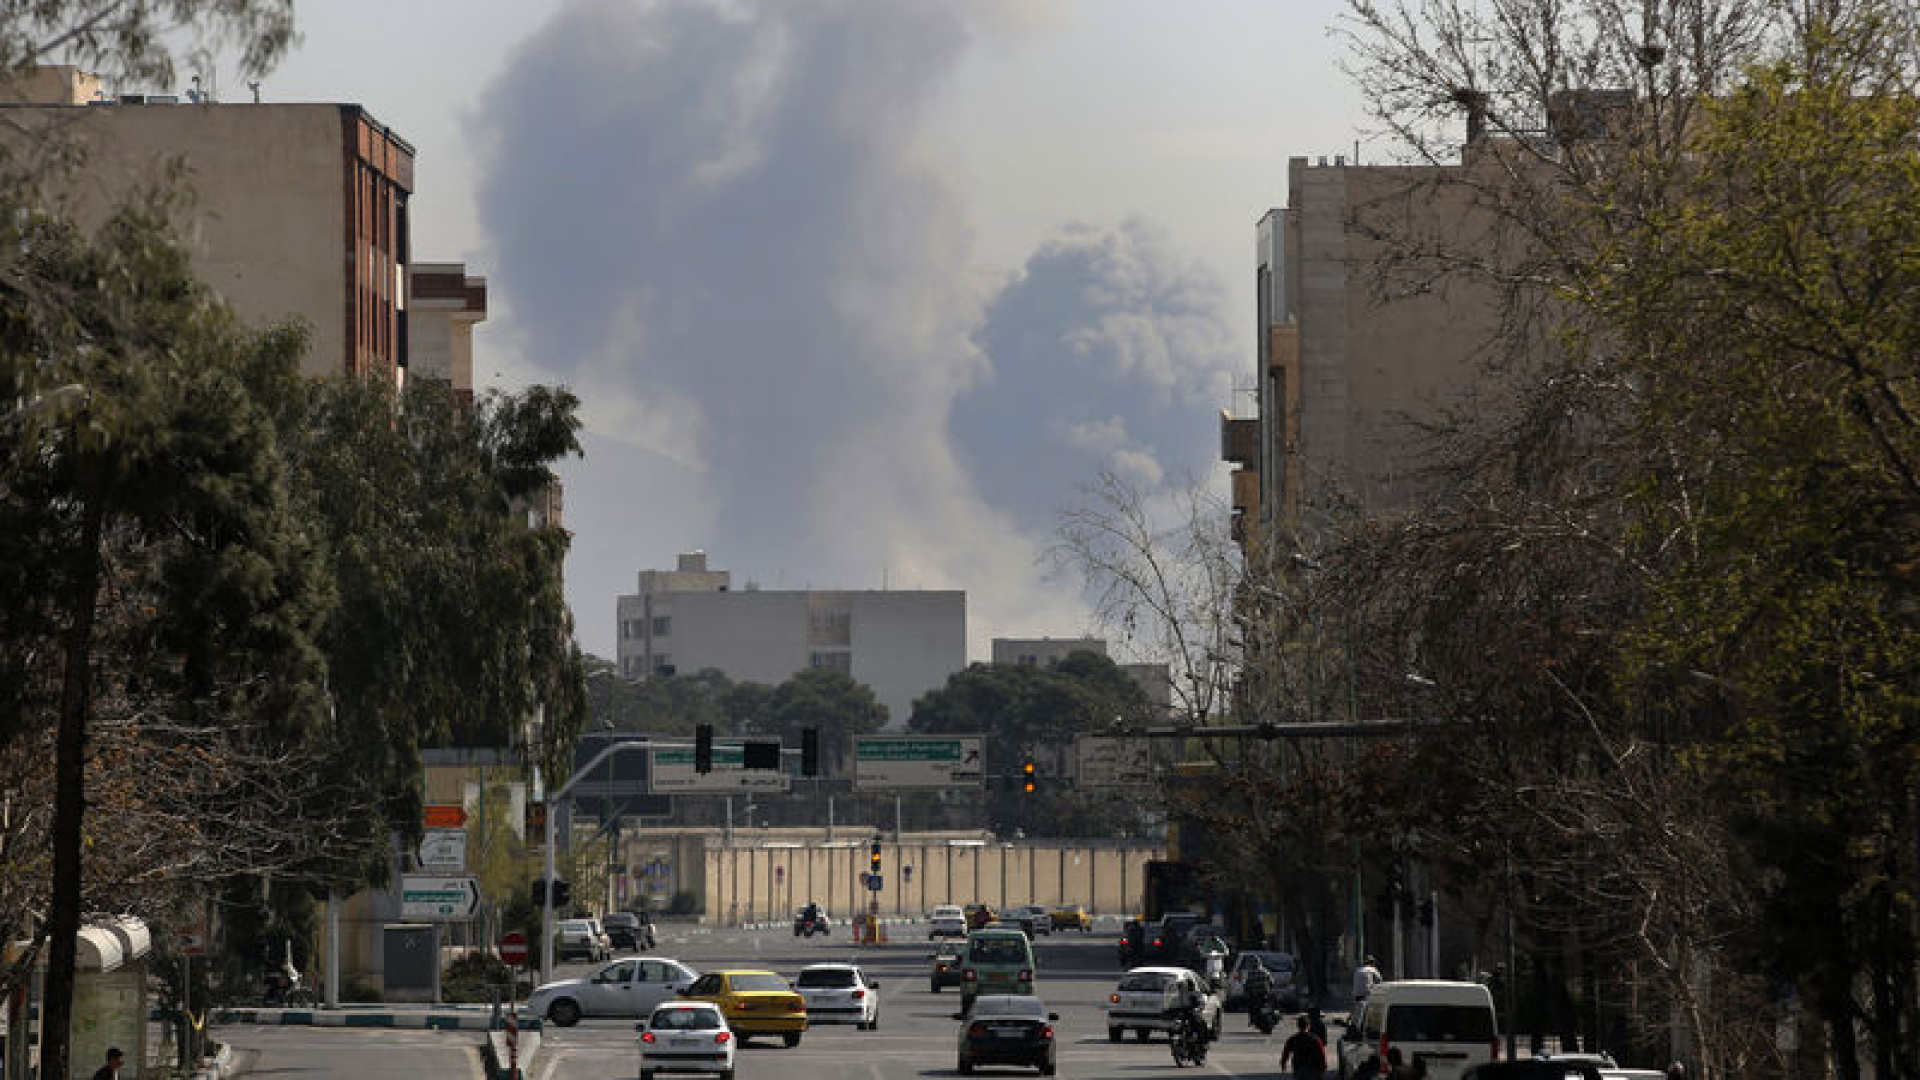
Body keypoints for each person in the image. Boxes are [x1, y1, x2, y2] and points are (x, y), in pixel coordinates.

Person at [1280, 1015, 1327, 1080]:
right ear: (1309, 1026)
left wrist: (1283, 1063)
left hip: (1299, 1069)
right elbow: (1321, 1054)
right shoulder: (1315, 1040)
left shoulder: (1293, 1039)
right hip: (1313, 1070)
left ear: (1298, 1026)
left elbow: (1286, 1052)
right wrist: (1323, 1067)